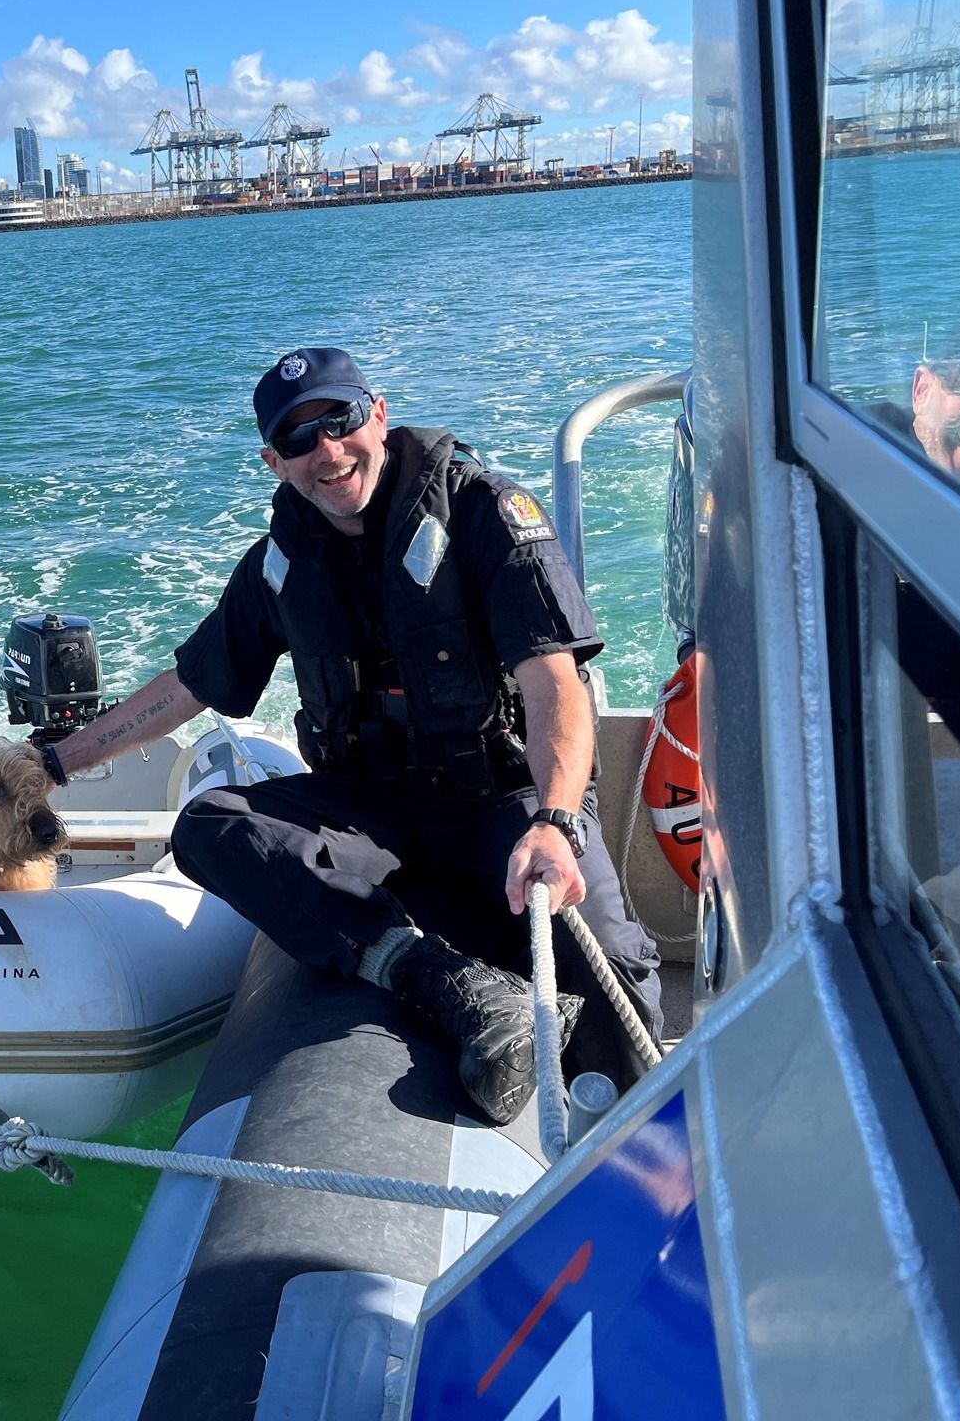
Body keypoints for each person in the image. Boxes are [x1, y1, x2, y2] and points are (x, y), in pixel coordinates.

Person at [37, 347, 663, 1122]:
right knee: (210, 826)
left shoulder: (483, 514)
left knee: (616, 987)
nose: (327, 453)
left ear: (378, 415)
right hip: (371, 808)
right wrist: (54, 763)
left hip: (502, 804)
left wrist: (556, 822)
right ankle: (437, 977)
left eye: (339, 422)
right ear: (274, 461)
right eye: (299, 441)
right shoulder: (279, 562)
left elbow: (554, 687)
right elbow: (189, 687)